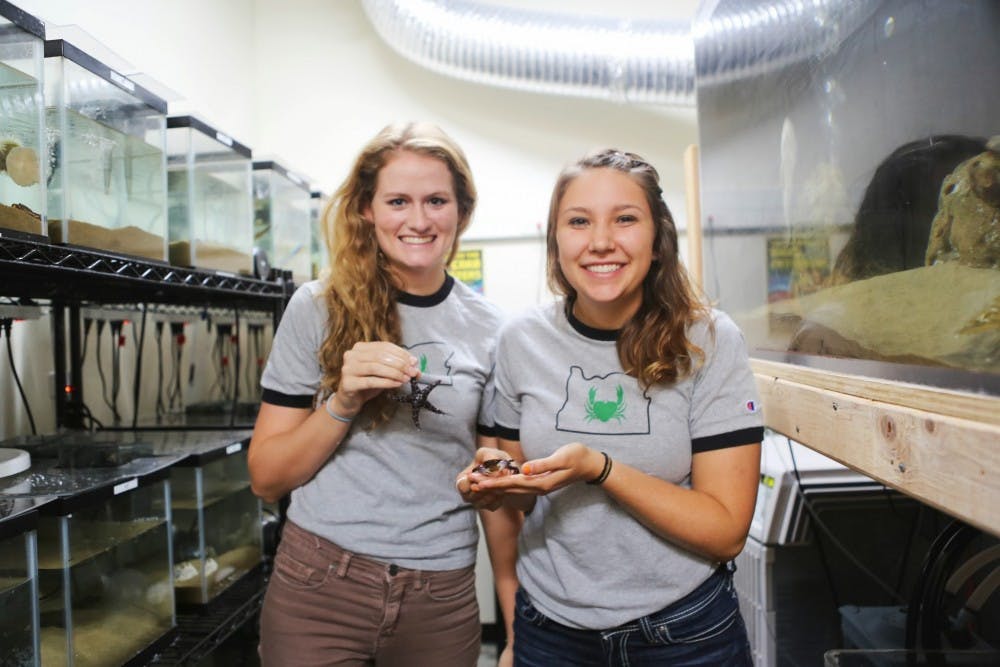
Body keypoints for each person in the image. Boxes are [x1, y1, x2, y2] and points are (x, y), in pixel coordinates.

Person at [458, 148, 764, 666]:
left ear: (657, 238)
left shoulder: (708, 339)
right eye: (579, 221)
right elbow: (520, 500)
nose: (601, 241)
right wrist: (496, 483)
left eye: (625, 219)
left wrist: (599, 469)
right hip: (550, 633)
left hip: (684, 635)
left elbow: (726, 530)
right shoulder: (520, 340)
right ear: (555, 240)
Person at [249, 122, 519, 667]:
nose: (418, 220)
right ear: (367, 209)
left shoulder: (494, 330)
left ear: (461, 212)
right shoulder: (317, 307)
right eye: (398, 200)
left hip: (439, 595)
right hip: (318, 585)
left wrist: (517, 632)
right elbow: (267, 477)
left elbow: (498, 496)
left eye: (436, 201)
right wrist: (343, 403)